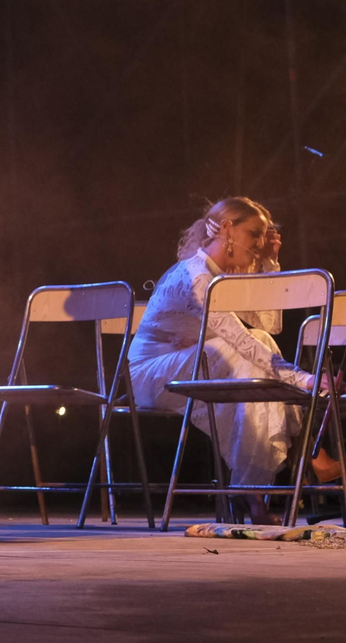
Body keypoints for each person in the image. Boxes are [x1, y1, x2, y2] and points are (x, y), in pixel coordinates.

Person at [127, 197, 340, 524]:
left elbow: (270, 325)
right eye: (255, 234)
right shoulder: (197, 276)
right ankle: (281, 469)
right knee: (230, 352)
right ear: (227, 229)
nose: (258, 244)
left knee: (259, 343)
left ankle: (260, 485)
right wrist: (305, 380)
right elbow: (238, 340)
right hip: (150, 375)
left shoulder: (223, 278)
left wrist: (270, 264)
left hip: (196, 365)